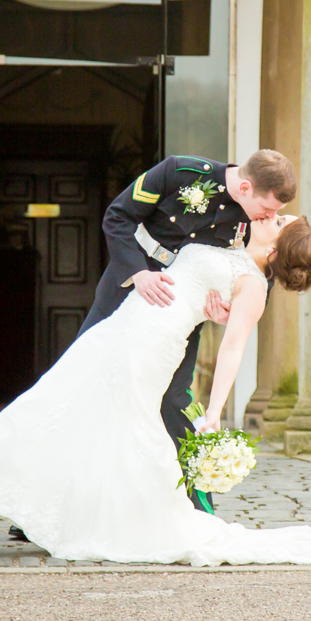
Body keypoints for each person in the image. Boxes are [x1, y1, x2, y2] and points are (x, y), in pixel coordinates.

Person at [0, 215, 311, 566]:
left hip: (151, 343)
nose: (267, 216)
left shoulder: (253, 285)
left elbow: (234, 348)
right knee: (57, 393)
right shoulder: (232, 247)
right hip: (124, 324)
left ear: (275, 250)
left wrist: (215, 412)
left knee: (125, 428)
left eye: (277, 221)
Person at [77, 149, 294, 515]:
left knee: (173, 400)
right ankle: (49, 505)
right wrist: (139, 273)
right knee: (85, 386)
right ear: (244, 186)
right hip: (126, 288)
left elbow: (261, 274)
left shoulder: (254, 224)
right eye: (268, 209)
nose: (271, 217)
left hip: (178, 315)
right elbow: (118, 217)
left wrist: (233, 313)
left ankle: (199, 502)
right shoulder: (179, 172)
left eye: (275, 214)